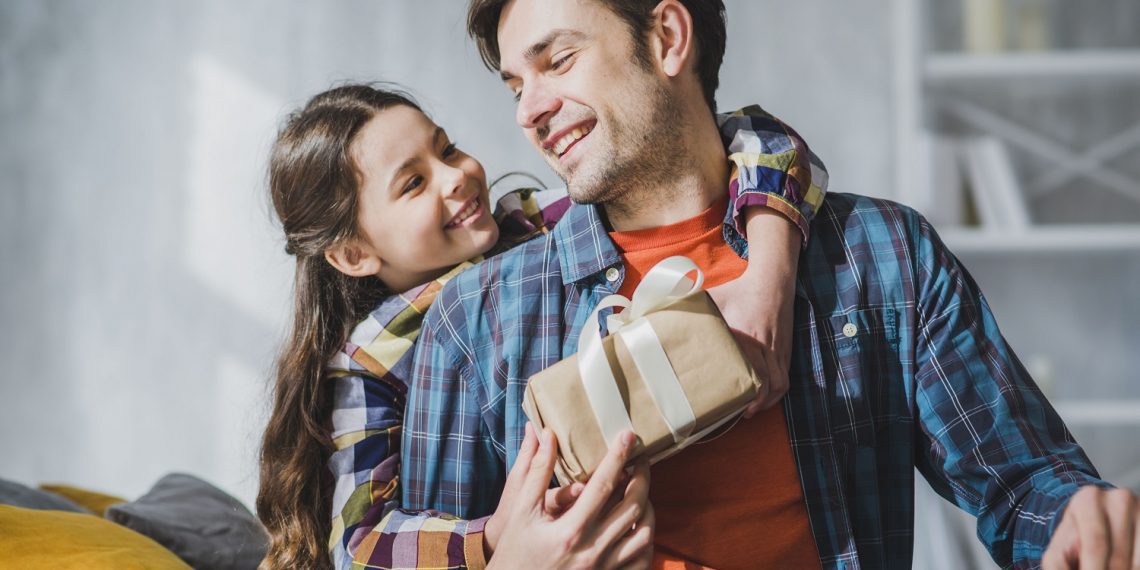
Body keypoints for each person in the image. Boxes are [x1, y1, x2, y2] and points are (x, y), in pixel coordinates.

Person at [400, 0, 1140, 568]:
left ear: (666, 37)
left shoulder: (882, 256)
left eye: (557, 61)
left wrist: (1077, 521)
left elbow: (1022, 489)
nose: (530, 111)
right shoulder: (476, 320)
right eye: (515, 85)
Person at [255, 83, 830, 569]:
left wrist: (768, 277)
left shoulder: (536, 225)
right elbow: (361, 544)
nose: (455, 176)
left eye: (447, 149)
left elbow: (753, 134)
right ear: (354, 254)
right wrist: (494, 536)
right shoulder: (366, 362)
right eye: (413, 183)